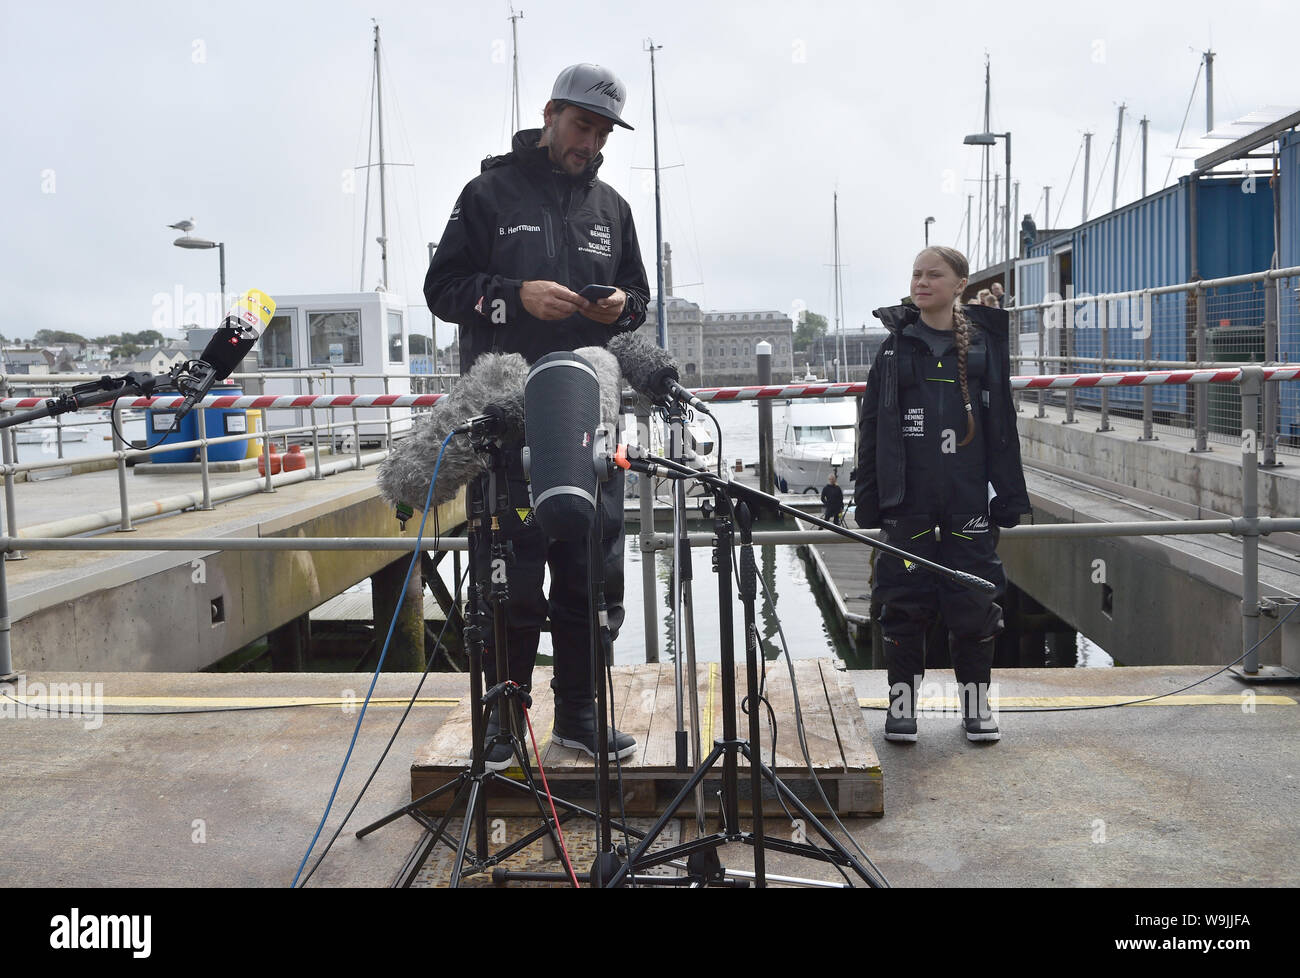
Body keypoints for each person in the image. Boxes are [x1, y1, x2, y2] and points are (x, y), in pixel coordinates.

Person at [424, 63, 651, 769]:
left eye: (604, 131)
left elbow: (640, 301)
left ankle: (580, 716)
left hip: (592, 419)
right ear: (551, 113)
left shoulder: (611, 207)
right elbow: (444, 290)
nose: (592, 141)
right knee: (509, 581)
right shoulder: (488, 193)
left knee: (588, 572)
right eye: (583, 125)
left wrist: (621, 309)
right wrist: (513, 297)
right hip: (507, 419)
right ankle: (502, 723)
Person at [852, 247, 1030, 743]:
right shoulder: (894, 347)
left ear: (959, 285)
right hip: (909, 504)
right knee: (904, 606)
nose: (922, 282)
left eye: (935, 275)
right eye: (916, 273)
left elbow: (1003, 428)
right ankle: (902, 710)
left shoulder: (983, 348)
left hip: (968, 502)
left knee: (974, 605)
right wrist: (869, 498)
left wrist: (1010, 496)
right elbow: (873, 429)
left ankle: (976, 710)